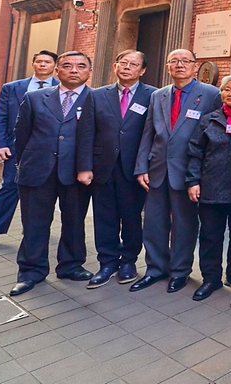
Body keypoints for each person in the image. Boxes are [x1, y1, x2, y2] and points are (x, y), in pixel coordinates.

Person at [131, 49, 222, 293]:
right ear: (168, 67)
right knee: (153, 222)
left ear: (195, 67)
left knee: (184, 224)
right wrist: (141, 166)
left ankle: (180, 271)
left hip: (188, 172)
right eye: (174, 61)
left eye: (185, 61)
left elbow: (215, 135)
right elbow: (148, 132)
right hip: (157, 169)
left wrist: (204, 175)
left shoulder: (211, 94)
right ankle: (155, 268)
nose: (179, 65)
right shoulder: (158, 95)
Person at [10, 51, 93, 296]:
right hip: (37, 170)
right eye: (66, 66)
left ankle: (71, 265)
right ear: (57, 71)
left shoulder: (97, 99)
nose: (74, 70)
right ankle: (30, 271)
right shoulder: (35, 97)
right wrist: (25, 162)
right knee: (34, 224)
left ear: (89, 71)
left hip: (77, 172)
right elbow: (21, 134)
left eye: (80, 66)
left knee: (74, 221)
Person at [75, 50, 155, 287]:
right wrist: (84, 166)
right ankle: (107, 262)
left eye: (134, 64)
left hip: (134, 169)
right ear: (115, 65)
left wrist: (145, 166)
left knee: (132, 217)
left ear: (142, 70)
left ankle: (129, 260)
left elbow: (153, 135)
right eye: (123, 62)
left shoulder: (153, 96)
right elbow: (86, 132)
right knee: (104, 217)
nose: (127, 67)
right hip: (103, 167)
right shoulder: (97, 95)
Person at [186, 74, 231, 301]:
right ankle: (210, 277)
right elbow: (195, 152)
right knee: (210, 235)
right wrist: (193, 181)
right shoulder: (209, 119)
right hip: (211, 188)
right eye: (226, 89)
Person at [0, 49, 58, 247]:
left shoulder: (62, 88)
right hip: (15, 147)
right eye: (39, 61)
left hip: (48, 148)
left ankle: (34, 228)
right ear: (33, 64)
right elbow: (1, 117)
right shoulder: (12, 88)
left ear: (54, 66)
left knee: (45, 190)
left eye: (47, 62)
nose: (43, 65)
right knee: (10, 186)